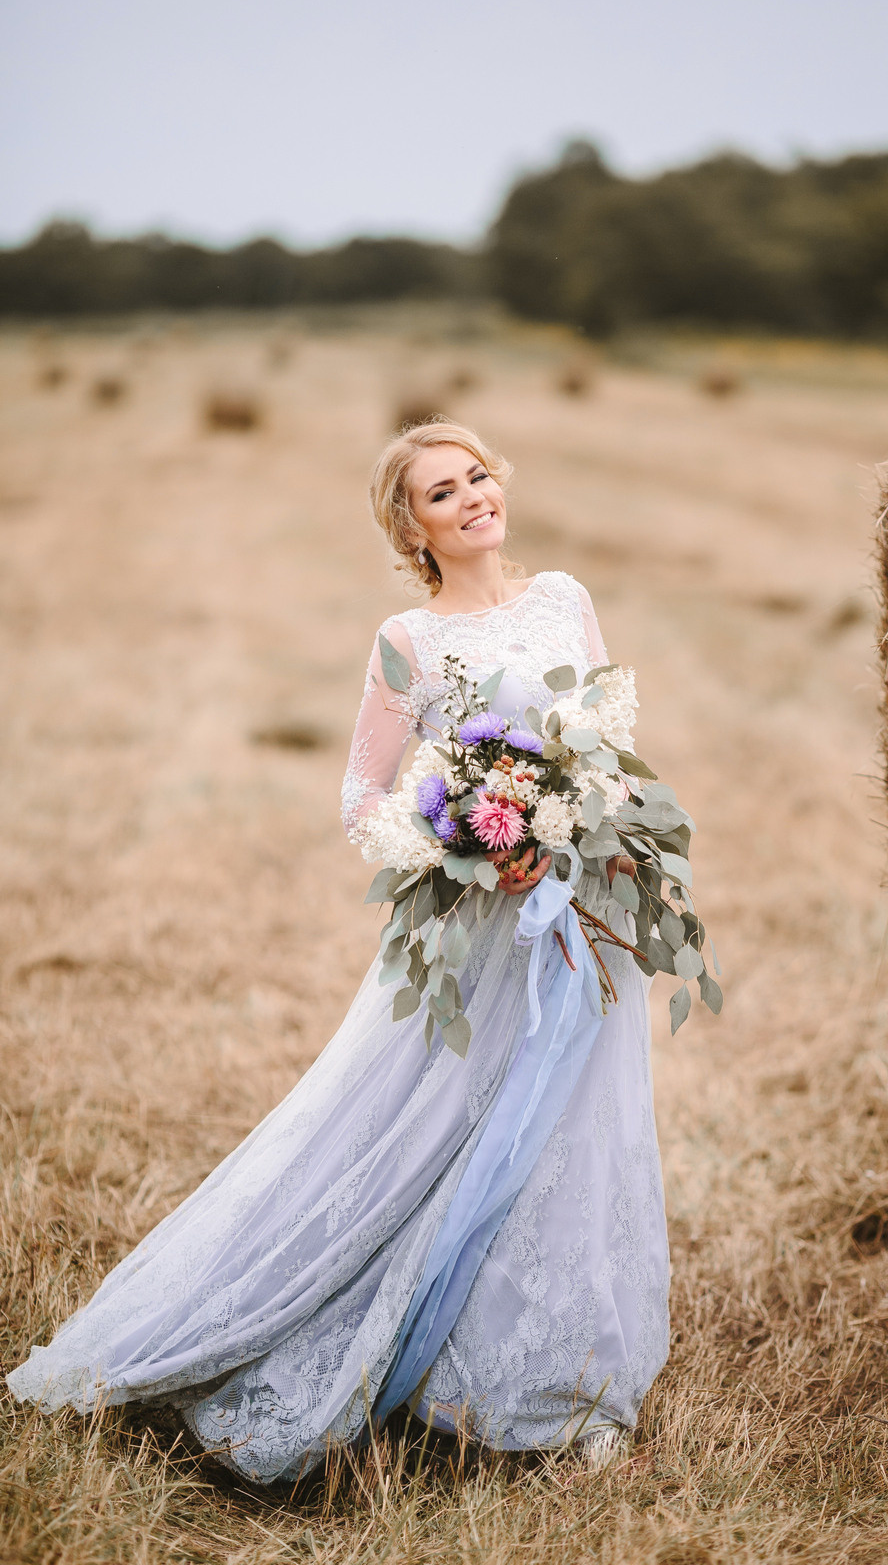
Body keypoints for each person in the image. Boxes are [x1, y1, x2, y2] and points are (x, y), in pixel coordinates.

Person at [7, 421, 670, 1483]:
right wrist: (463, 844)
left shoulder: (565, 597)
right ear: (411, 528)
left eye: (478, 476)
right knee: (428, 1125)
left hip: (585, 908)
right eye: (442, 492)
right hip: (477, 925)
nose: (472, 498)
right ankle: (364, 1336)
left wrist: (609, 827)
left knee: (574, 1132)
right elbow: (362, 794)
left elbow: (606, 740)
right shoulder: (407, 639)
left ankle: (554, 1377)